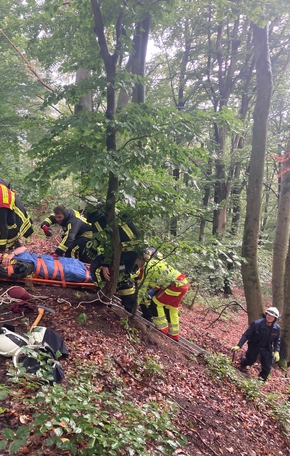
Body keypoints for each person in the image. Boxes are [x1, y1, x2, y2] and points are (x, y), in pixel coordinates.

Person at [136, 248, 189, 341]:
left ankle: (162, 329)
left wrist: (137, 302)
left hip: (175, 285)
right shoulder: (160, 263)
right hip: (183, 283)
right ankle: (174, 334)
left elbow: (143, 286)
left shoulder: (149, 266)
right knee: (171, 308)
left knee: (156, 303)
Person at [231, 307, 280, 381]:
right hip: (254, 345)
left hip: (266, 348)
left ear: (275, 318)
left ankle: (261, 381)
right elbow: (246, 335)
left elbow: (277, 340)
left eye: (272, 316)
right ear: (266, 315)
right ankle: (243, 363)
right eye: (268, 315)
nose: (270, 317)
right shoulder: (256, 324)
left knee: (267, 366)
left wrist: (277, 351)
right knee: (250, 360)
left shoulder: (277, 328)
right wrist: (239, 345)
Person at [0, 179, 33, 253]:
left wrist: (1, 248)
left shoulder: (2, 200)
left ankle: (9, 249)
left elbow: (3, 226)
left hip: (14, 224)